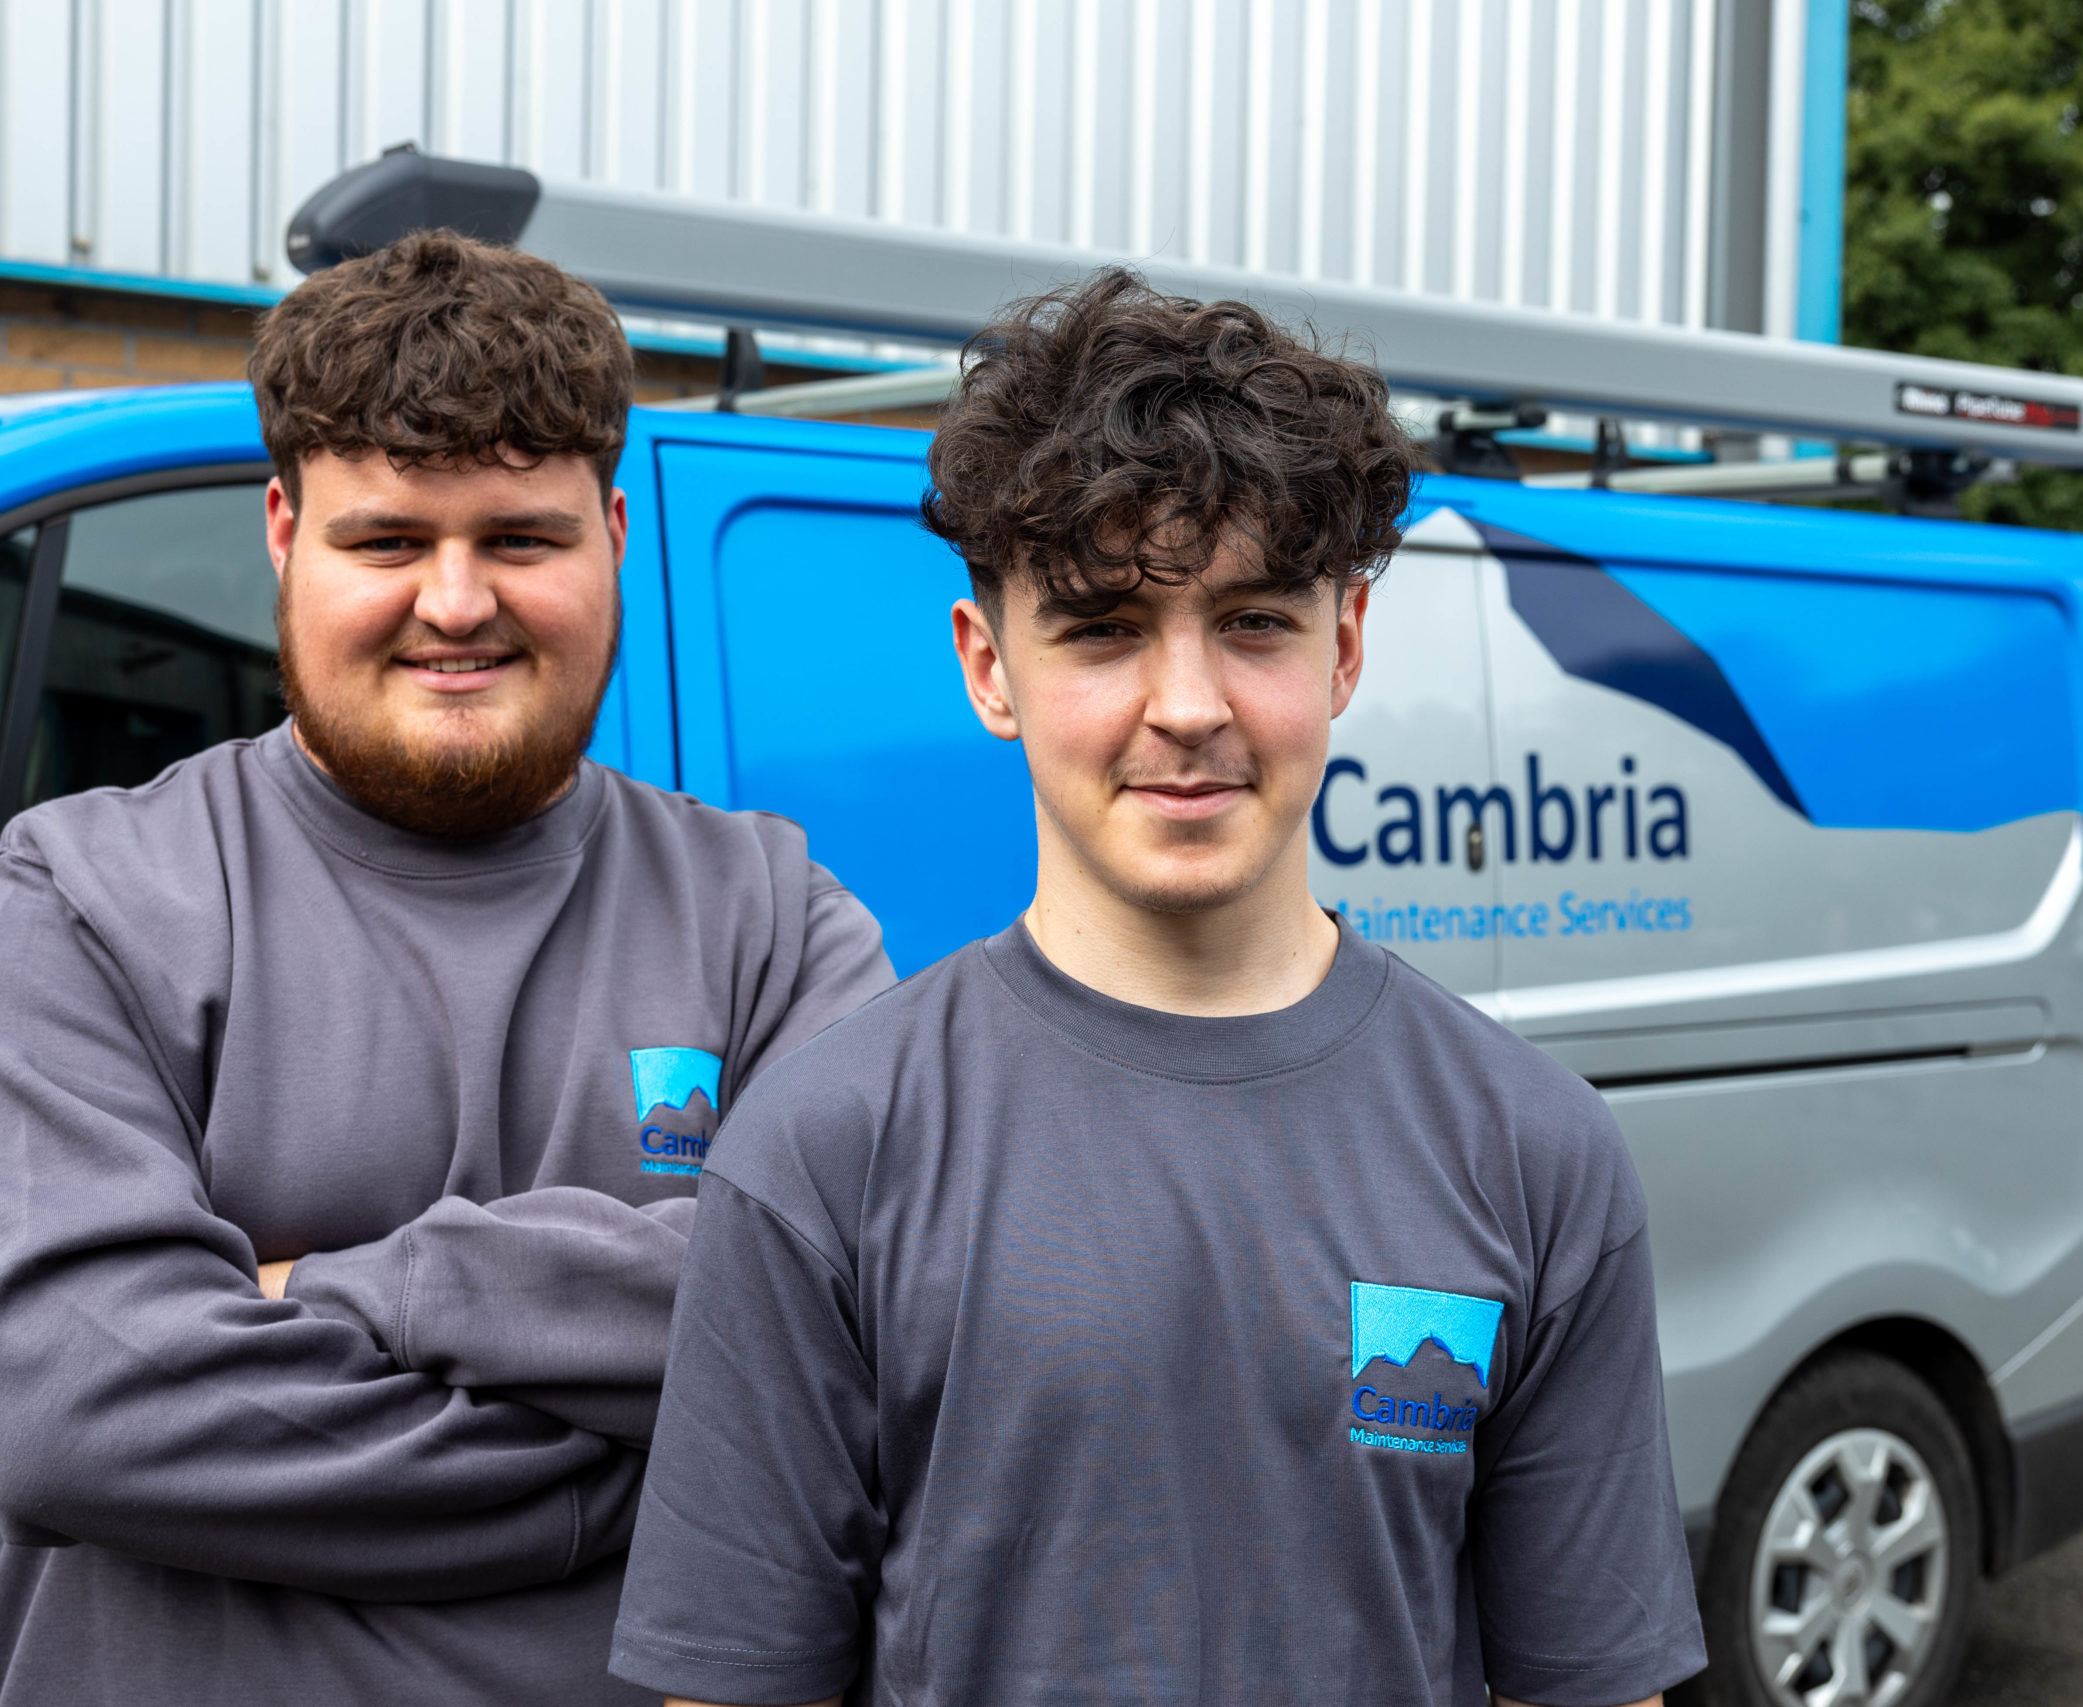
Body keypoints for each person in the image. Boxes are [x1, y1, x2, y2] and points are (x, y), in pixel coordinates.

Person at [607, 270, 1708, 1707]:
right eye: (1105, 628)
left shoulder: (1534, 1150)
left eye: (1254, 623)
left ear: (1347, 649)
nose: (1186, 707)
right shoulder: (822, 1153)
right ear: (989, 667)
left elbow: (1587, 1688)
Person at [0, 228, 893, 1707]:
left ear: (614, 533)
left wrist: (360, 1290)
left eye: (519, 539)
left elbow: (862, 1342)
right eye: (389, 541)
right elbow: (73, 1408)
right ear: (286, 534)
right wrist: (653, 1452)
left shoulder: (773, 919)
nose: (456, 601)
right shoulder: (73, 910)